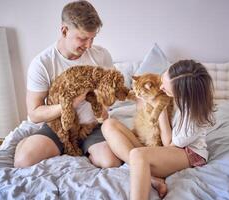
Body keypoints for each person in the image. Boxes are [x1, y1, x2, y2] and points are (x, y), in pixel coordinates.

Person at [14, 0, 122, 168]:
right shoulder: (43, 63)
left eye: (92, 38)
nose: (89, 45)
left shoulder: (101, 56)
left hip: (92, 126)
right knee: (23, 161)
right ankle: (36, 142)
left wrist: (106, 100)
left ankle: (85, 149)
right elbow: (34, 114)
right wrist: (69, 105)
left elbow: (111, 94)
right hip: (59, 127)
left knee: (110, 162)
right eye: (83, 38)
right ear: (64, 30)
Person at [102, 60, 215, 199]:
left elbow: (168, 144)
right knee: (109, 124)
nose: (160, 87)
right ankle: (152, 179)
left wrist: (160, 108)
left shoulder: (193, 117)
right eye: (162, 80)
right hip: (162, 147)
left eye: (165, 87)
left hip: (187, 152)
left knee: (138, 155)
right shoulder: (175, 96)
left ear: (182, 93)